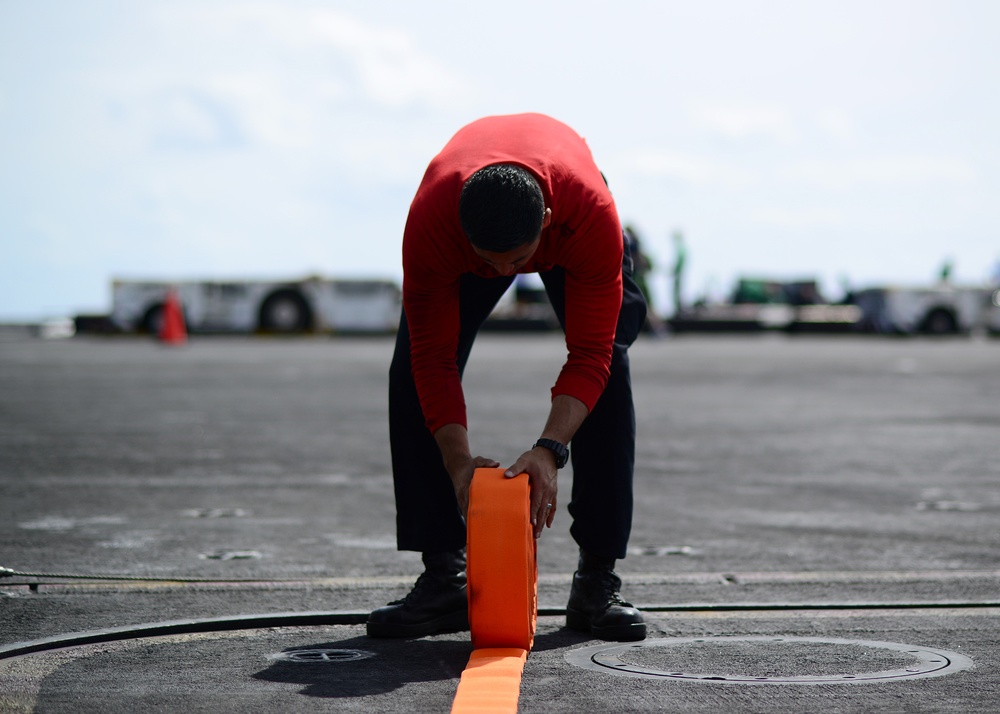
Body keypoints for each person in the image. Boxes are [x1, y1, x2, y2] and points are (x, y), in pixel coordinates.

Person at [367, 113, 648, 643]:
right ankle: (443, 576)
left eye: (516, 262)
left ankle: (596, 579)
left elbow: (588, 355)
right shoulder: (433, 224)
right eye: (489, 262)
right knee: (408, 370)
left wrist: (549, 448)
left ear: (543, 220)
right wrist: (456, 464)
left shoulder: (589, 215)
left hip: (568, 209)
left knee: (613, 360)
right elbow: (433, 360)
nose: (502, 276)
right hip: (468, 214)